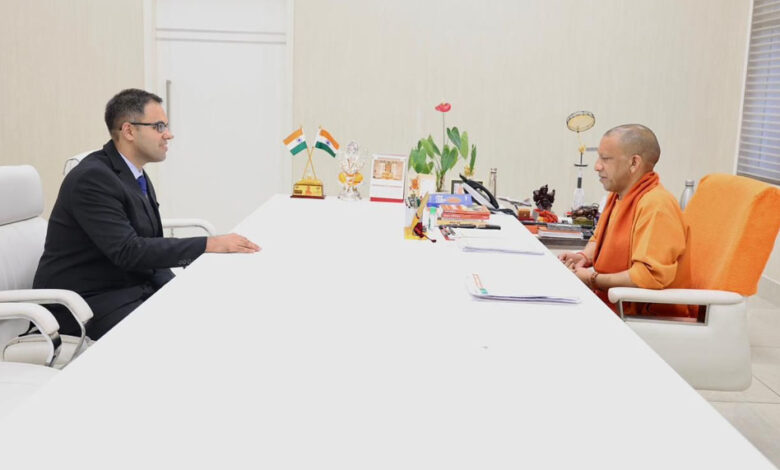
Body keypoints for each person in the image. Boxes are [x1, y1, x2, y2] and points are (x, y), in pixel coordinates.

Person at [34, 88, 260, 339]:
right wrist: (209, 244)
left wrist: (179, 287)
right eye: (159, 126)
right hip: (86, 305)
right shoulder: (93, 178)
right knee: (190, 331)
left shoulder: (134, 173)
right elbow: (128, 251)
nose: (168, 134)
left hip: (128, 288)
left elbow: (148, 244)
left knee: (211, 305)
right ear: (129, 131)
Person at [558, 124, 692, 316]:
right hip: (612, 302)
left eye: (605, 159)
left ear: (634, 163)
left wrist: (592, 278)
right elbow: (599, 239)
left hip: (640, 315)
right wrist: (583, 257)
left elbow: (647, 276)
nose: (597, 166)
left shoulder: (656, 205)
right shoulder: (619, 195)